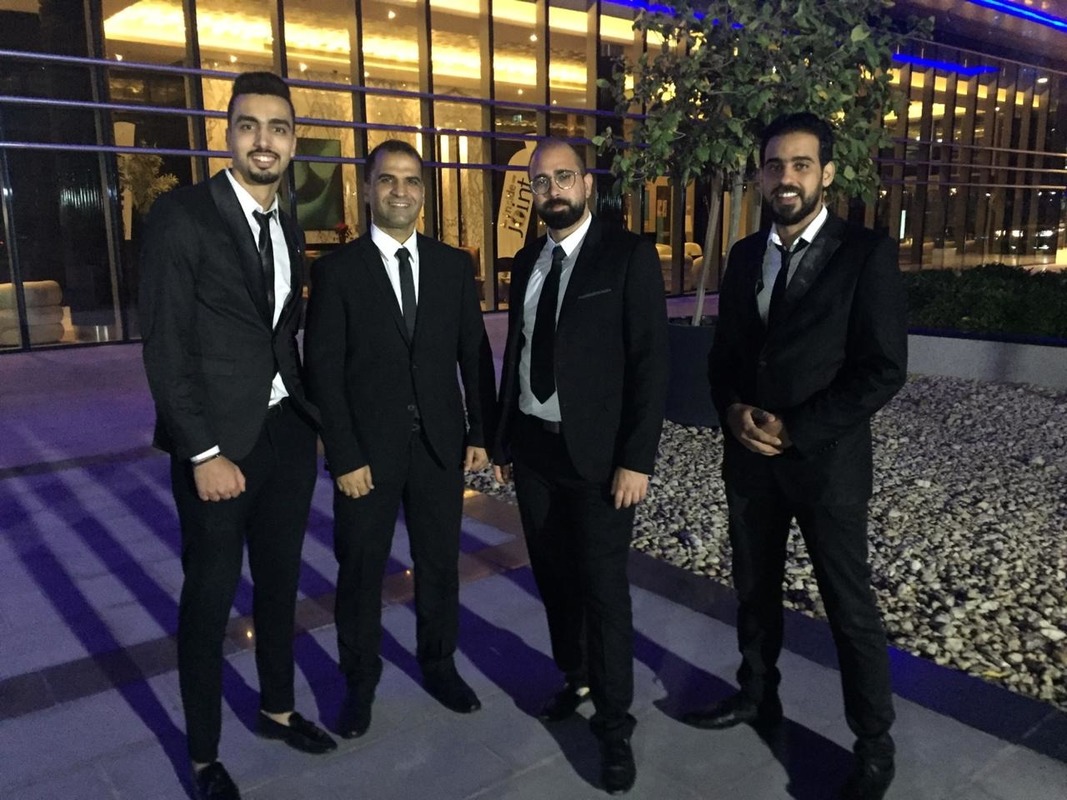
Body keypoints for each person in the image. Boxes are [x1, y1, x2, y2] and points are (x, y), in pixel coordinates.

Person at [685, 112, 908, 800]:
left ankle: (873, 742)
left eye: (801, 164)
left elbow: (882, 369)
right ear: (760, 175)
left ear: (827, 174)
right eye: (775, 165)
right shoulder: (744, 254)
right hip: (749, 460)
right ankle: (757, 694)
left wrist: (797, 430)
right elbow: (725, 356)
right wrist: (730, 410)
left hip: (825, 465)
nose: (786, 177)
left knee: (848, 605)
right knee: (754, 588)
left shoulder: (864, 253)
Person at [140, 71, 335, 800]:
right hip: (217, 447)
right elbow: (165, 347)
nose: (264, 141)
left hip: (284, 437)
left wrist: (309, 419)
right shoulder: (182, 216)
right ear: (227, 133)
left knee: (280, 586)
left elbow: (280, 334)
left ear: (293, 141)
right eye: (249, 125)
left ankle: (277, 709)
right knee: (209, 600)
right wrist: (202, 452)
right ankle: (202, 757)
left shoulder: (289, 219)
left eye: (278, 128)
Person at [303, 139, 497, 740]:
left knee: (439, 565)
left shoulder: (452, 266)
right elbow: (323, 372)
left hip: (439, 446)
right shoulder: (336, 272)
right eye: (387, 180)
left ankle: (439, 664)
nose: (400, 191)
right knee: (360, 570)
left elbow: (473, 353)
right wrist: (343, 454)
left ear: (424, 193)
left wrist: (480, 431)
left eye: (411, 180)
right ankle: (359, 681)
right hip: (366, 456)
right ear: (367, 189)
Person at [492, 138, 669, 795]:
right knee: (554, 579)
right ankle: (577, 677)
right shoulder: (526, 261)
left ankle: (615, 726)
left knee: (603, 591)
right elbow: (518, 353)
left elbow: (651, 364)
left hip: (598, 459)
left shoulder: (627, 256)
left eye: (563, 177)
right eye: (540, 182)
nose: (552, 191)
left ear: (587, 183)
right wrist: (504, 441)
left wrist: (635, 460)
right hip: (535, 451)